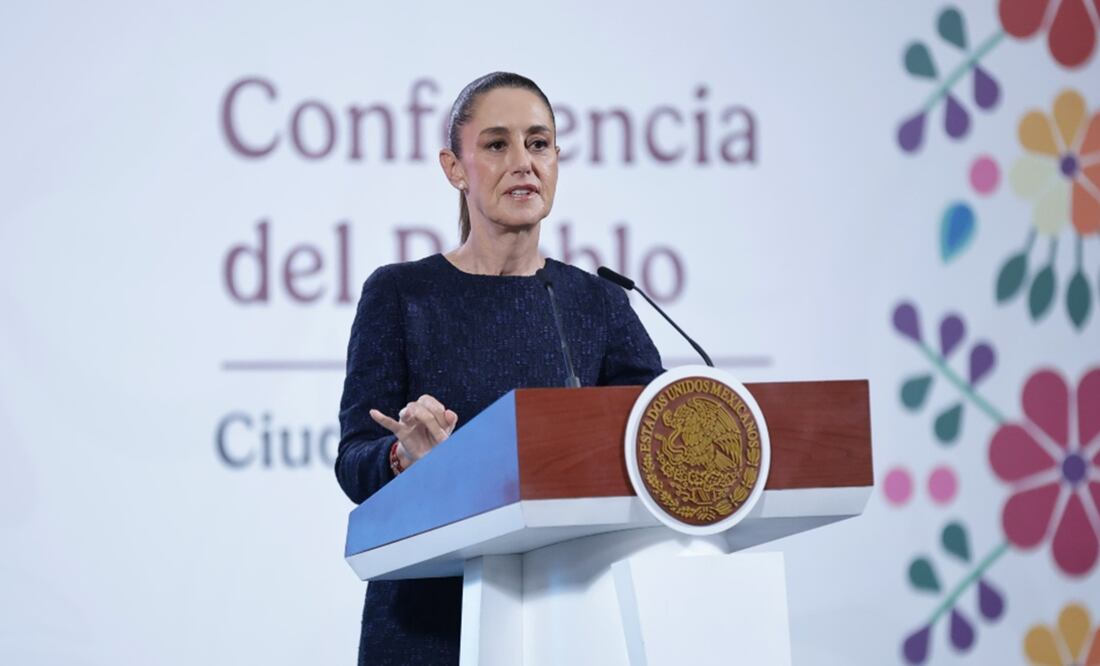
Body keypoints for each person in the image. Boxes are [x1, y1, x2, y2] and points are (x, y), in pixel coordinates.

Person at [335, 71, 664, 665]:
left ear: (557, 161)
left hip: (570, 621)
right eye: (496, 144)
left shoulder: (597, 303)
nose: (523, 162)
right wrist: (402, 457)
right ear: (454, 168)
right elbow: (355, 459)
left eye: (538, 144)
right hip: (430, 622)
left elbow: (655, 438)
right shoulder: (401, 295)